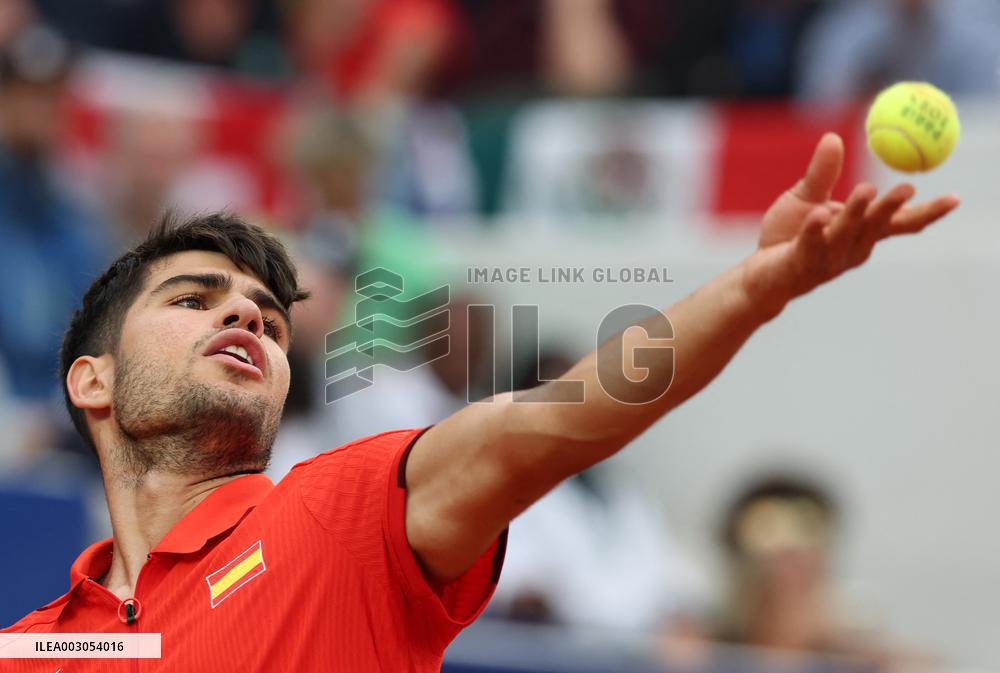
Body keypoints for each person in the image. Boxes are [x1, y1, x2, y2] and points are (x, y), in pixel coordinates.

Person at [0, 134, 958, 672]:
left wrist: (756, 287)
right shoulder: (39, 645)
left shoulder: (342, 515)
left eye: (269, 315)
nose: (248, 315)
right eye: (194, 298)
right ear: (94, 380)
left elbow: (561, 414)